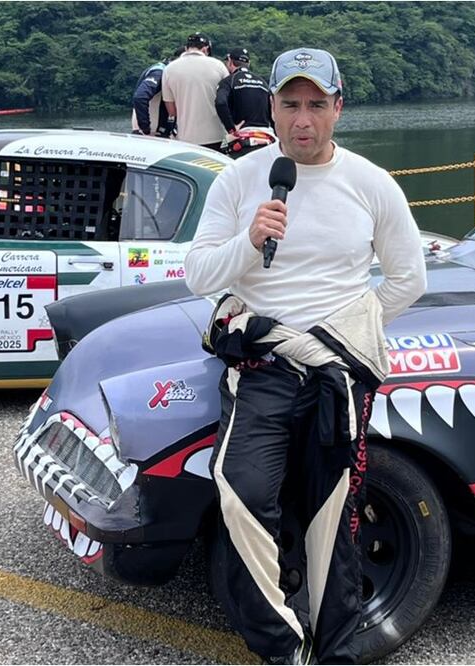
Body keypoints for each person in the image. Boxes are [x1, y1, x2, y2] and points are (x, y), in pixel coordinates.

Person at [184, 47, 426, 664]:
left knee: (333, 517)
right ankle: (282, 647)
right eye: (290, 104)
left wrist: (342, 337)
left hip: (334, 378)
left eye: (316, 105)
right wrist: (249, 240)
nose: (302, 120)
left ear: (338, 108)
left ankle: (337, 652)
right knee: (240, 494)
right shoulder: (240, 180)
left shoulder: (372, 183)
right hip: (261, 368)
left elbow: (406, 279)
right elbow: (197, 274)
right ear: (271, 106)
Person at [162, 32, 230, 150]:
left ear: (186, 48)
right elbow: (228, 101)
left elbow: (172, 111)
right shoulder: (219, 66)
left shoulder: (169, 69)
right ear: (205, 49)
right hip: (216, 136)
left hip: (185, 137)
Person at [214, 47, 274, 155]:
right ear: (249, 63)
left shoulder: (229, 81)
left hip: (243, 138)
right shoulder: (263, 82)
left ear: (230, 62)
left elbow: (220, 102)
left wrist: (231, 128)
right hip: (267, 137)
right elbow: (273, 109)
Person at [131, 47, 183, 138]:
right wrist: (146, 128)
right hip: (151, 135)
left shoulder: (166, 70)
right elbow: (140, 97)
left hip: (158, 133)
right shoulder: (159, 72)